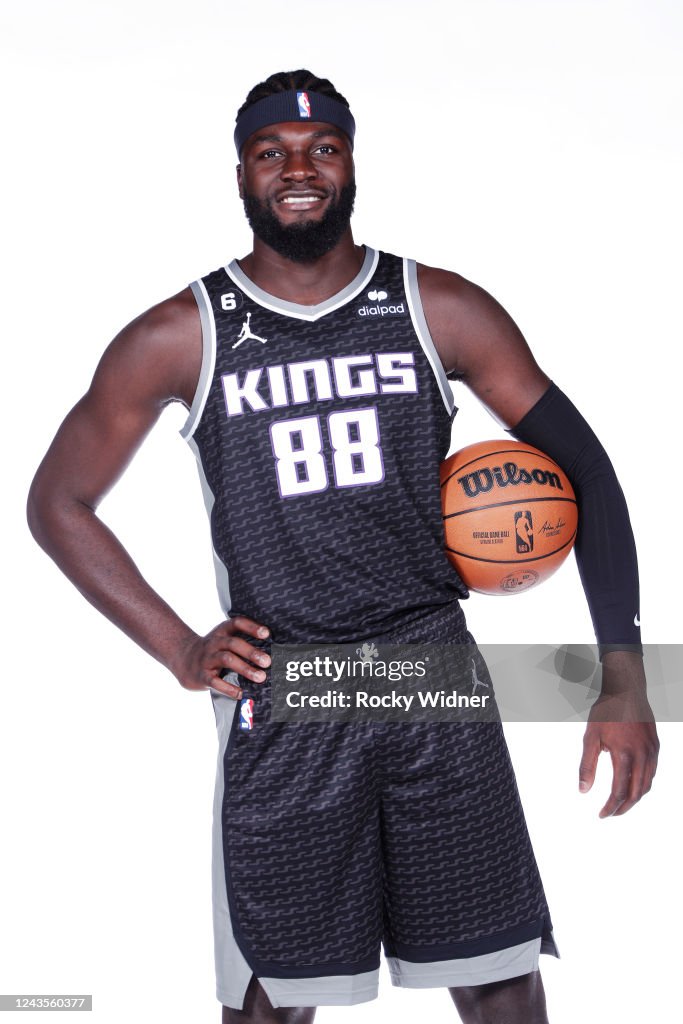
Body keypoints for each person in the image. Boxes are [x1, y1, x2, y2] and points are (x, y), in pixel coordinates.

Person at [26, 69, 659, 1024]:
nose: (298, 169)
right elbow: (58, 503)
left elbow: (589, 474)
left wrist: (624, 674)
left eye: (321, 149)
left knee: (496, 979)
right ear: (240, 173)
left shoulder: (436, 307)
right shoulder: (180, 336)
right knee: (272, 997)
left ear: (351, 164)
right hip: (287, 688)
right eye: (271, 151)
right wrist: (179, 648)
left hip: (430, 672)